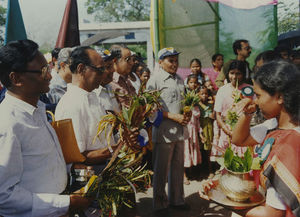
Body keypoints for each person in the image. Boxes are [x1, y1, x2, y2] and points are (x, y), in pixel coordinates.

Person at [0, 39, 90, 217]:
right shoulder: (7, 124)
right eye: (43, 71)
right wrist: (66, 203)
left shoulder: (38, 110)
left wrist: (72, 170)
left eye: (48, 69)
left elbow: (39, 164)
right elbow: (4, 196)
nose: (49, 76)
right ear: (16, 78)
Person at [201, 61, 300, 217]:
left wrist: (222, 200)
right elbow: (238, 139)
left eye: (259, 95)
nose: (256, 101)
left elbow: (272, 215)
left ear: (280, 97)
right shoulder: (274, 126)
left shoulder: (288, 145)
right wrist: (247, 114)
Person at [55, 46, 127, 167]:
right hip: (91, 176)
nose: (104, 73)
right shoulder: (72, 104)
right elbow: (78, 156)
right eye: (100, 70)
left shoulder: (93, 96)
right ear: (81, 69)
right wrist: (118, 148)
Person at [146, 47, 191, 217]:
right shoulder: (155, 81)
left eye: (176, 60)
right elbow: (149, 109)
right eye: (170, 60)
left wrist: (186, 114)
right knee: (161, 170)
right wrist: (173, 116)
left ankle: (177, 200)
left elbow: (184, 102)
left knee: (178, 168)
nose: (174, 64)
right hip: (164, 131)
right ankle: (159, 204)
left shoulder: (180, 79)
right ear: (160, 62)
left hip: (180, 131)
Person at [211, 60, 253, 160]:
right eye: (232, 73)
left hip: (245, 133)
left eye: (238, 73)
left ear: (243, 74)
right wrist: (227, 130)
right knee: (228, 163)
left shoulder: (250, 90)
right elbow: (218, 114)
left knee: (243, 164)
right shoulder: (222, 90)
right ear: (227, 73)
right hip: (227, 132)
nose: (234, 77)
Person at [183, 74, 202, 185]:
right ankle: (183, 175)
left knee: (193, 149)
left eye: (195, 82)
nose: (193, 84)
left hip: (194, 129)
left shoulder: (197, 98)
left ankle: (191, 172)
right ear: (187, 83)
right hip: (186, 128)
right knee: (185, 151)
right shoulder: (185, 97)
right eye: (191, 82)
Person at [110, 44, 136, 109]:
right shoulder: (110, 82)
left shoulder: (126, 80)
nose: (132, 63)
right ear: (115, 60)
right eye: (128, 59)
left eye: (131, 59)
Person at [198, 86, 215, 177]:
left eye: (206, 94)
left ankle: (210, 170)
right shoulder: (196, 105)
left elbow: (212, 116)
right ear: (198, 94)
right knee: (200, 150)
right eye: (202, 94)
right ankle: (200, 170)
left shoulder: (210, 105)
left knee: (208, 150)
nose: (204, 96)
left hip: (208, 128)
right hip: (199, 128)